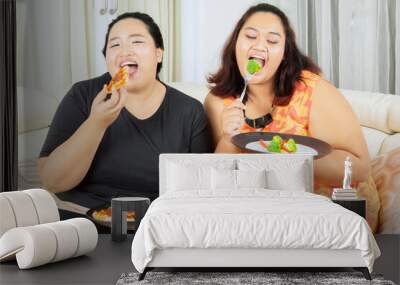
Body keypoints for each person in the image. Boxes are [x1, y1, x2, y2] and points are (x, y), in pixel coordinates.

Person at [205, 3, 379, 230]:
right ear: (236, 44)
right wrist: (228, 138)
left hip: (335, 215)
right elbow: (221, 182)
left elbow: (360, 166)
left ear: (285, 53)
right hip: (261, 220)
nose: (260, 45)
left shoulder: (312, 90)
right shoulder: (218, 102)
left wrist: (288, 157)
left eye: (272, 41)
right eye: (250, 36)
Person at [38, 12, 212, 218]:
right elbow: (52, 180)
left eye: (137, 41)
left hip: (154, 222)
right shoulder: (83, 95)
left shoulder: (189, 110)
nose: (125, 51)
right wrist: (96, 123)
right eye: (114, 45)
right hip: (82, 218)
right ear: (106, 58)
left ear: (159, 54)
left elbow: (202, 189)